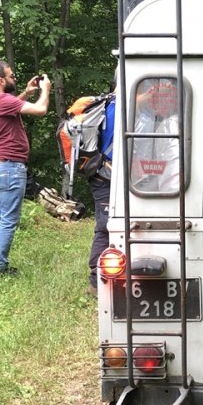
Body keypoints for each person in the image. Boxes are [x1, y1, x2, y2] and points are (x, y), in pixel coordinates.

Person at [0, 60, 50, 275]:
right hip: (9, 168)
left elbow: (10, 107)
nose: (14, 78)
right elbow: (41, 110)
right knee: (8, 219)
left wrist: (27, 92)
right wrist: (45, 90)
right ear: (1, 80)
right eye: (11, 76)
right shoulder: (2, 99)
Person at [87, 92, 116, 295]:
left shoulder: (110, 103)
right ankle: (96, 282)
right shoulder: (117, 107)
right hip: (105, 174)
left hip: (105, 173)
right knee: (105, 226)